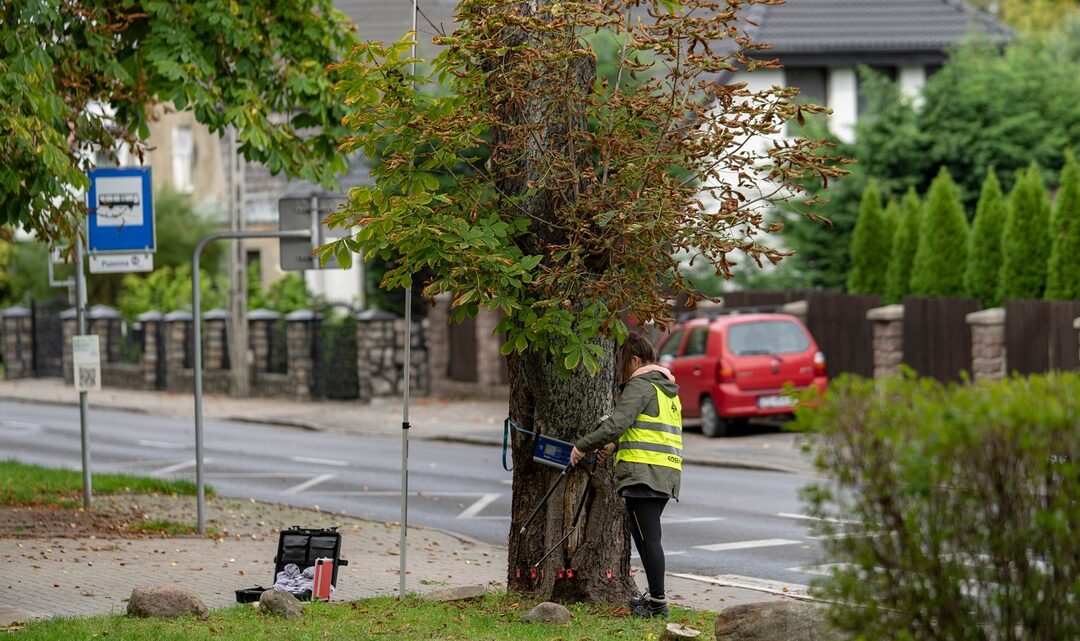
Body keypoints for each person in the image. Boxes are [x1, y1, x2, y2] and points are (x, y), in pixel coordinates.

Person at [570, 333, 682, 618]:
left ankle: (659, 604)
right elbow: (644, 427)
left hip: (643, 472)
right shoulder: (667, 391)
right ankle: (655, 602)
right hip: (665, 471)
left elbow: (617, 423)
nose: (622, 371)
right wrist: (614, 445)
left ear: (634, 359)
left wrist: (582, 446)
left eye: (623, 364)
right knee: (644, 536)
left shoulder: (641, 385)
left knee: (649, 538)